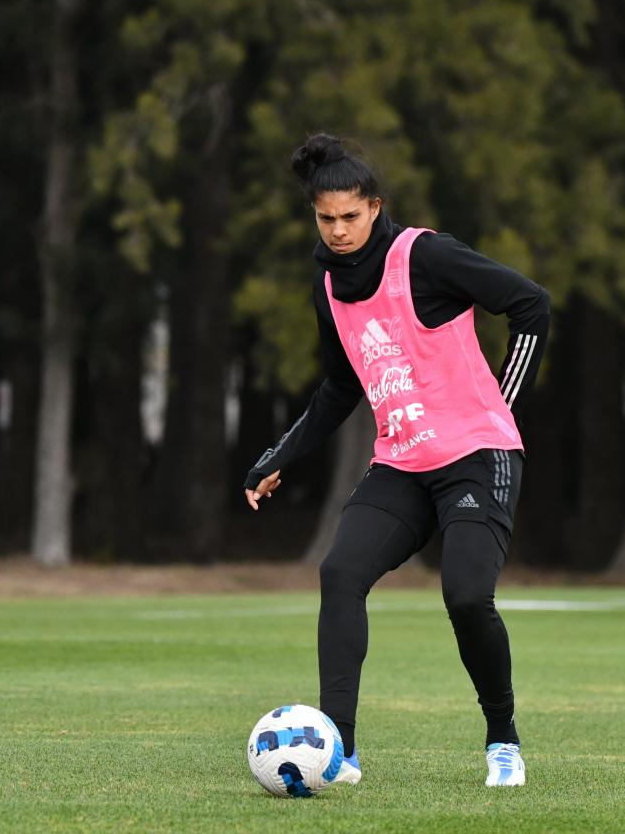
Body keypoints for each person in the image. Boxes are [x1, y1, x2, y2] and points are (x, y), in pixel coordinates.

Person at [244, 134, 550, 788]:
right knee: (340, 572)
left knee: (466, 597)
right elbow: (338, 389)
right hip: (403, 465)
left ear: (375, 207)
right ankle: (338, 753)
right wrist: (279, 456)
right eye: (326, 219)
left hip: (478, 455)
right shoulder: (327, 286)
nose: (339, 230)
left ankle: (503, 737)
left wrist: (502, 408)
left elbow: (531, 305)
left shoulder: (425, 255)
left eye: (350, 217)